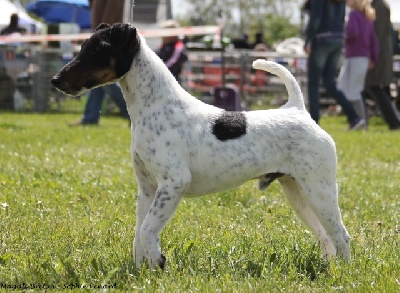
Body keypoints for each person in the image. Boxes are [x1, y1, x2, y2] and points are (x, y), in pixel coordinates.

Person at [304, 0, 365, 130]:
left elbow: (316, 18)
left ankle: (313, 122)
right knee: (329, 83)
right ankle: (354, 117)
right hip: (337, 40)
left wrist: (308, 40)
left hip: (321, 40)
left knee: (313, 83)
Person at [70, 0, 128, 126]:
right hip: (103, 36)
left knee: (105, 80)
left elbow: (115, 5)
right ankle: (90, 118)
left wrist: (102, 34)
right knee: (97, 81)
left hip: (107, 38)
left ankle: (131, 113)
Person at [337, 0, 379, 126]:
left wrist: (343, 36)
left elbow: (352, 32)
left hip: (354, 57)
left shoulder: (354, 14)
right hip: (361, 58)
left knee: (350, 90)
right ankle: (357, 120)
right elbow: (374, 40)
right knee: (346, 88)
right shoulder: (368, 17)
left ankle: (361, 121)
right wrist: (374, 58)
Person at [364, 0, 400, 130]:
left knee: (373, 86)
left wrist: (373, 56)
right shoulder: (379, 5)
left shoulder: (379, 6)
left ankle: (393, 121)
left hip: (379, 53)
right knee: (376, 88)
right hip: (380, 52)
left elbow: (377, 33)